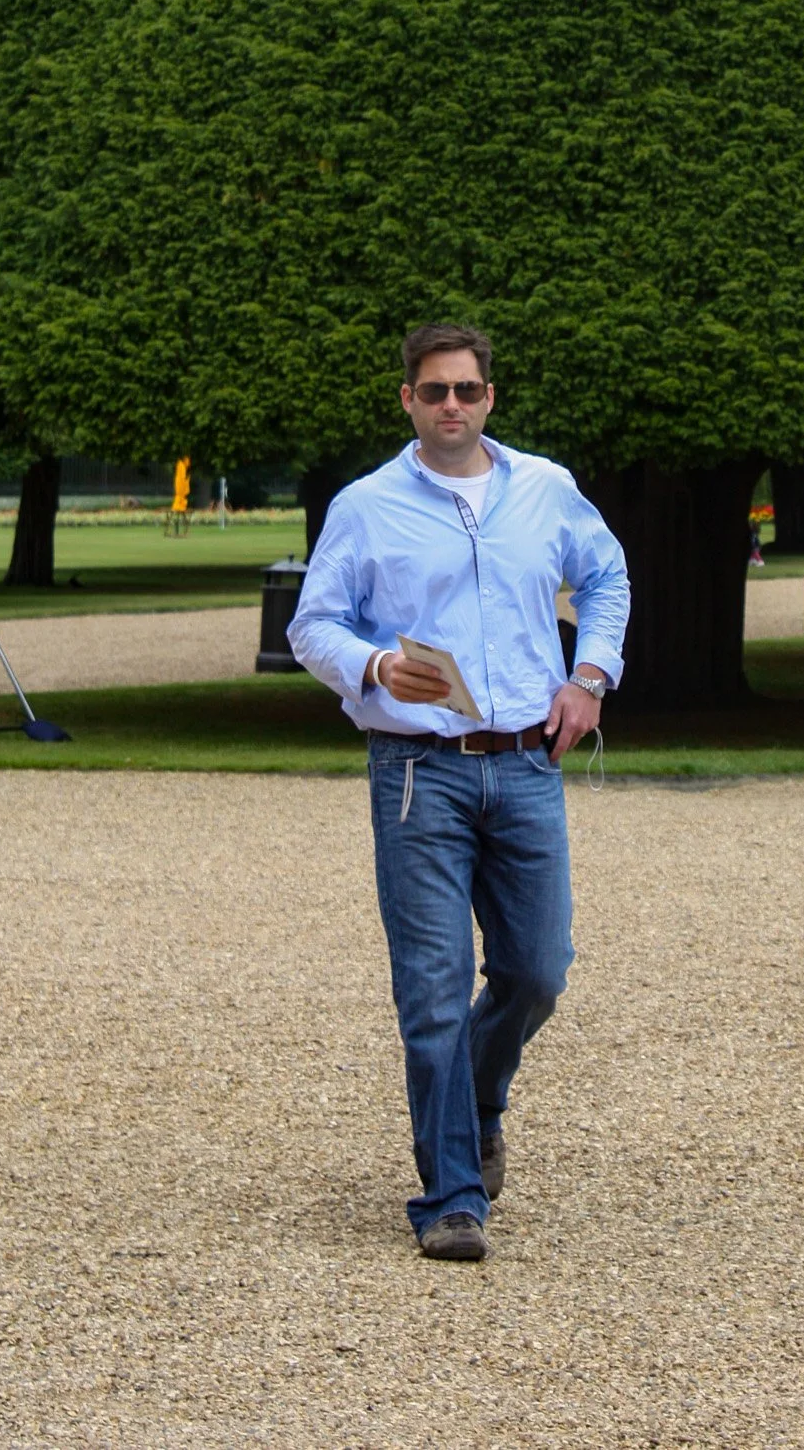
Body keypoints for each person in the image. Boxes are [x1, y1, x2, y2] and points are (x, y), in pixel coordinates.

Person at [288, 321, 630, 1262]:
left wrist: (589, 677)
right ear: (406, 399)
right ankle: (451, 1195)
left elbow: (606, 578)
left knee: (537, 971)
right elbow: (313, 624)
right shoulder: (366, 506)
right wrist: (371, 667)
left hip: (526, 764)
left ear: (489, 398)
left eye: (466, 391)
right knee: (432, 990)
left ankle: (478, 1101)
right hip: (416, 773)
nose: (451, 406)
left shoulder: (546, 490)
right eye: (433, 391)